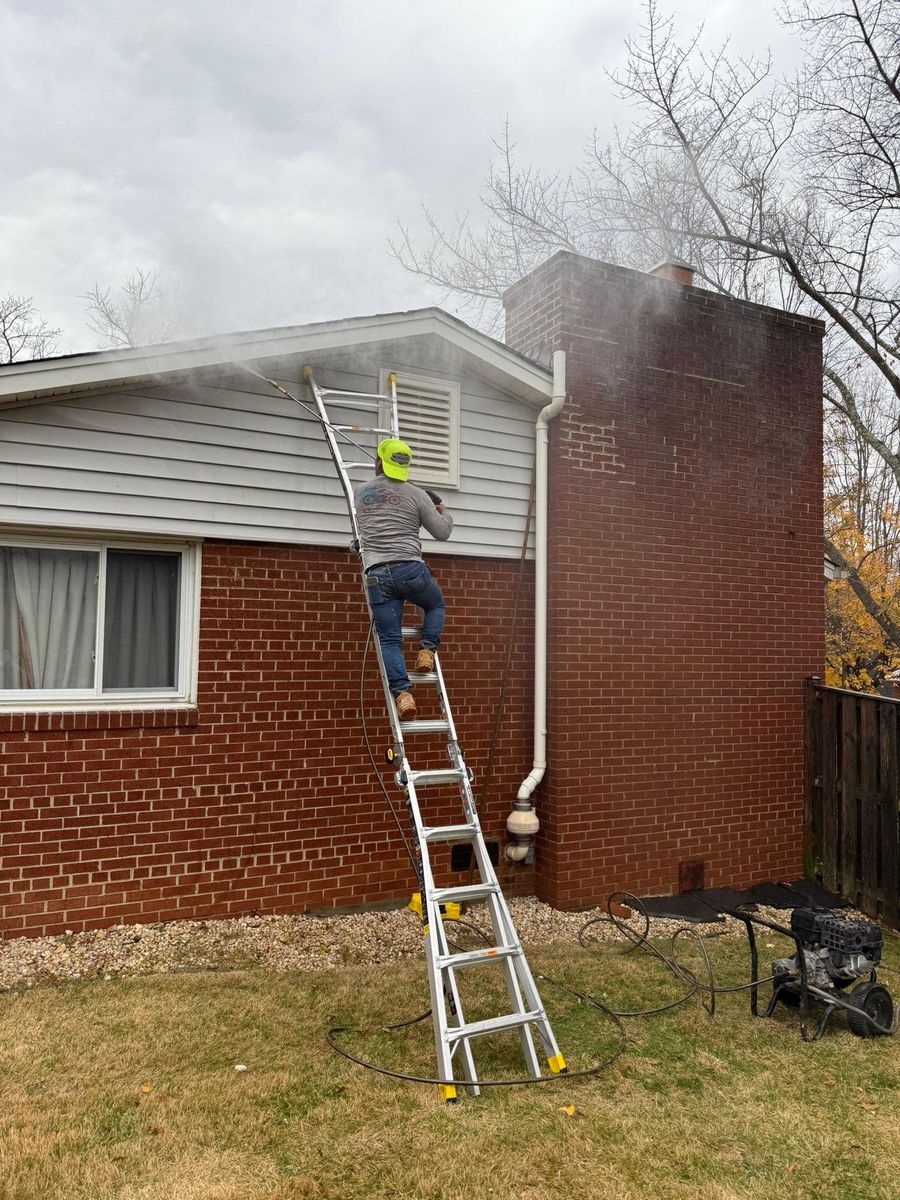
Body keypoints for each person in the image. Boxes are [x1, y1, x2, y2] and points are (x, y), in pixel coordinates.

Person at [354, 438, 453, 720]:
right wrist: (441, 508)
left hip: (377, 573)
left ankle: (403, 694)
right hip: (411, 569)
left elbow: (369, 527)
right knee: (434, 606)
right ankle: (427, 651)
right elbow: (443, 532)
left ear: (379, 461)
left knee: (389, 639)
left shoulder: (360, 493)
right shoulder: (418, 494)